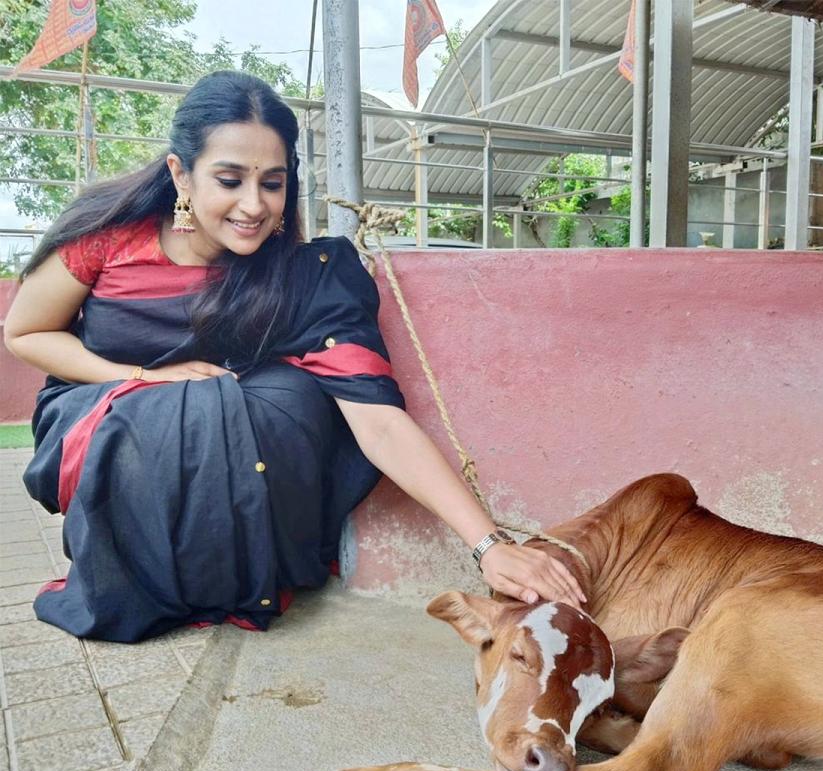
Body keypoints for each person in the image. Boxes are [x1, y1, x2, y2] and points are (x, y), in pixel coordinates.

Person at [4, 71, 585, 643]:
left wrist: (489, 546)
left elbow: (377, 421)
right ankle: (137, 574)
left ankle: (234, 569)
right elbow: (27, 333)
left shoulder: (305, 278)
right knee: (167, 409)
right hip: (98, 408)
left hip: (225, 436)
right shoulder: (106, 237)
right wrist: (141, 377)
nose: (254, 206)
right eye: (229, 180)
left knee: (280, 394)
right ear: (181, 173)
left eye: (273, 183)